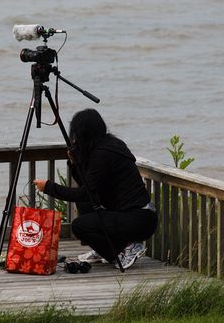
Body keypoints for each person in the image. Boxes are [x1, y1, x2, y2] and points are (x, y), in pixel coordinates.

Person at [33, 108, 158, 269]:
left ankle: (124, 249)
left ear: (84, 134)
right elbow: (88, 186)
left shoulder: (102, 154)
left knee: (79, 226)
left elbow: (84, 193)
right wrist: (74, 164)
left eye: (76, 135)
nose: (74, 139)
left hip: (138, 218)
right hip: (135, 215)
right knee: (85, 205)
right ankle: (102, 249)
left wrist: (49, 187)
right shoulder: (107, 145)